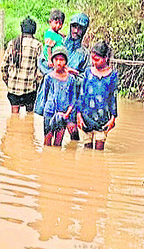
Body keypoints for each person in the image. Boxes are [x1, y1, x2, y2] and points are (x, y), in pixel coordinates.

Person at [38, 13, 92, 141]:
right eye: (74, 26)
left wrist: (72, 76)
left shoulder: (84, 54)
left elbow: (87, 78)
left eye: (80, 28)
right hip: (53, 96)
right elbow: (42, 61)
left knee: (73, 132)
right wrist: (57, 71)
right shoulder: (58, 42)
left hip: (71, 98)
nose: (76, 31)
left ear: (84, 30)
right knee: (49, 133)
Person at [76, 42, 118, 150]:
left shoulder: (112, 75)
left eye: (97, 59)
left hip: (103, 119)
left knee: (100, 151)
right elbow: (81, 94)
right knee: (87, 151)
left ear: (105, 58)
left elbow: (113, 97)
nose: (94, 62)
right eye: (92, 59)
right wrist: (78, 115)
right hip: (86, 117)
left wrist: (113, 118)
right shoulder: (87, 72)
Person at [34, 46, 78, 146]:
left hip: (63, 114)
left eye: (61, 60)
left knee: (58, 143)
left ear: (66, 62)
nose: (58, 62)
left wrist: (67, 114)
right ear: (52, 61)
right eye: (56, 59)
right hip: (49, 113)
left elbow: (73, 99)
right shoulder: (48, 77)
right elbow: (44, 96)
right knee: (47, 141)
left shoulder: (71, 79)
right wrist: (42, 111)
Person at [1, 16, 43, 114]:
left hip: (13, 89)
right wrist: (37, 85)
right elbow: (40, 70)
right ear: (34, 31)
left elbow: (3, 66)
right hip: (29, 89)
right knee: (30, 116)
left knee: (14, 115)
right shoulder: (37, 45)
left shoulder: (12, 43)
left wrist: (8, 82)